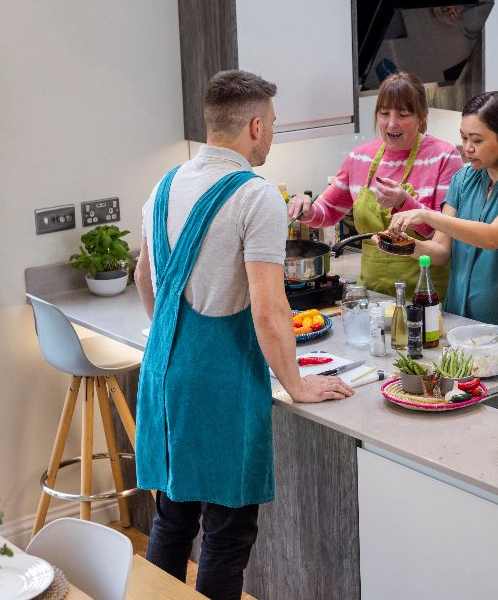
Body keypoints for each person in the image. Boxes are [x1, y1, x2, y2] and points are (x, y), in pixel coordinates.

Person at [133, 70, 353, 600]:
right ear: (255, 125)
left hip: (165, 374)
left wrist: (173, 337)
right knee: (227, 538)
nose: (273, 135)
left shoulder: (164, 186)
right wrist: (296, 384)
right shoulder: (256, 197)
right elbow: (270, 308)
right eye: (273, 124)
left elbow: (145, 278)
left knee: (173, 519)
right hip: (221, 383)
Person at [376, 91, 498, 333]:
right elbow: (440, 252)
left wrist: (426, 214)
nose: (467, 148)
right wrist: (402, 245)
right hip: (459, 322)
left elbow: (494, 237)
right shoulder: (463, 179)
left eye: (477, 140)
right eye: (463, 138)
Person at [287, 71, 463, 297]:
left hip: (426, 295)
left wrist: (404, 202)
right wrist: (306, 208)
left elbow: (442, 235)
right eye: (384, 113)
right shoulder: (360, 158)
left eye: (403, 114)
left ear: (422, 115)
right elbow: (328, 212)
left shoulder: (444, 157)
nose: (391, 124)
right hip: (372, 294)